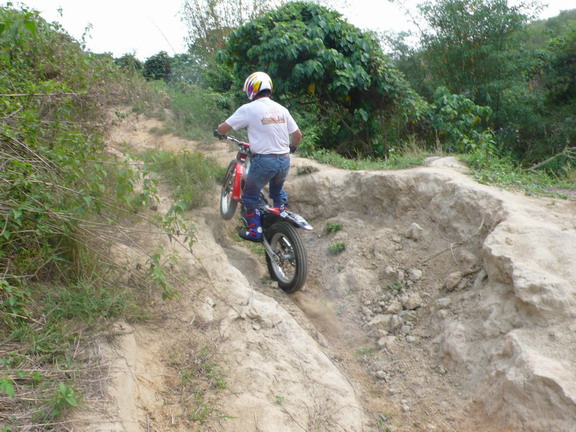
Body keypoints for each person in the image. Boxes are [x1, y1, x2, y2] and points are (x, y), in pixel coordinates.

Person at [215, 71, 302, 242]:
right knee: (277, 191)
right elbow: (298, 134)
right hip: (284, 161)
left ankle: (255, 230)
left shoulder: (249, 109)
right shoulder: (282, 109)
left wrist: (218, 132)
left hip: (264, 161)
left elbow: (225, 127)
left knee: (249, 195)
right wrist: (291, 148)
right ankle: (280, 214)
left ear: (251, 88)